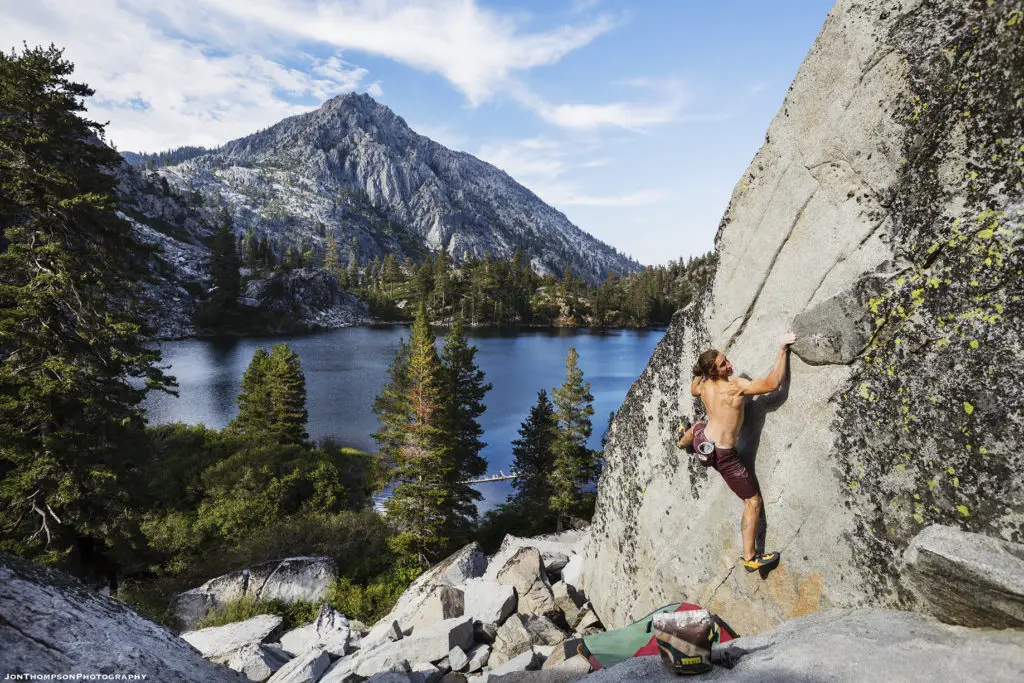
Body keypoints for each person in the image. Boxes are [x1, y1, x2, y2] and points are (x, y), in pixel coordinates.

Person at [677, 333, 796, 572]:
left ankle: (682, 442)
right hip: (723, 457)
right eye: (723, 365)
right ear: (713, 371)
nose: (730, 365)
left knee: (699, 426)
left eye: (726, 360)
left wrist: (700, 372)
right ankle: (750, 557)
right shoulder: (735, 388)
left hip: (704, 442)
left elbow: (692, 389)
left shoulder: (703, 385)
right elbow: (773, 384)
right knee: (752, 503)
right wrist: (782, 349)